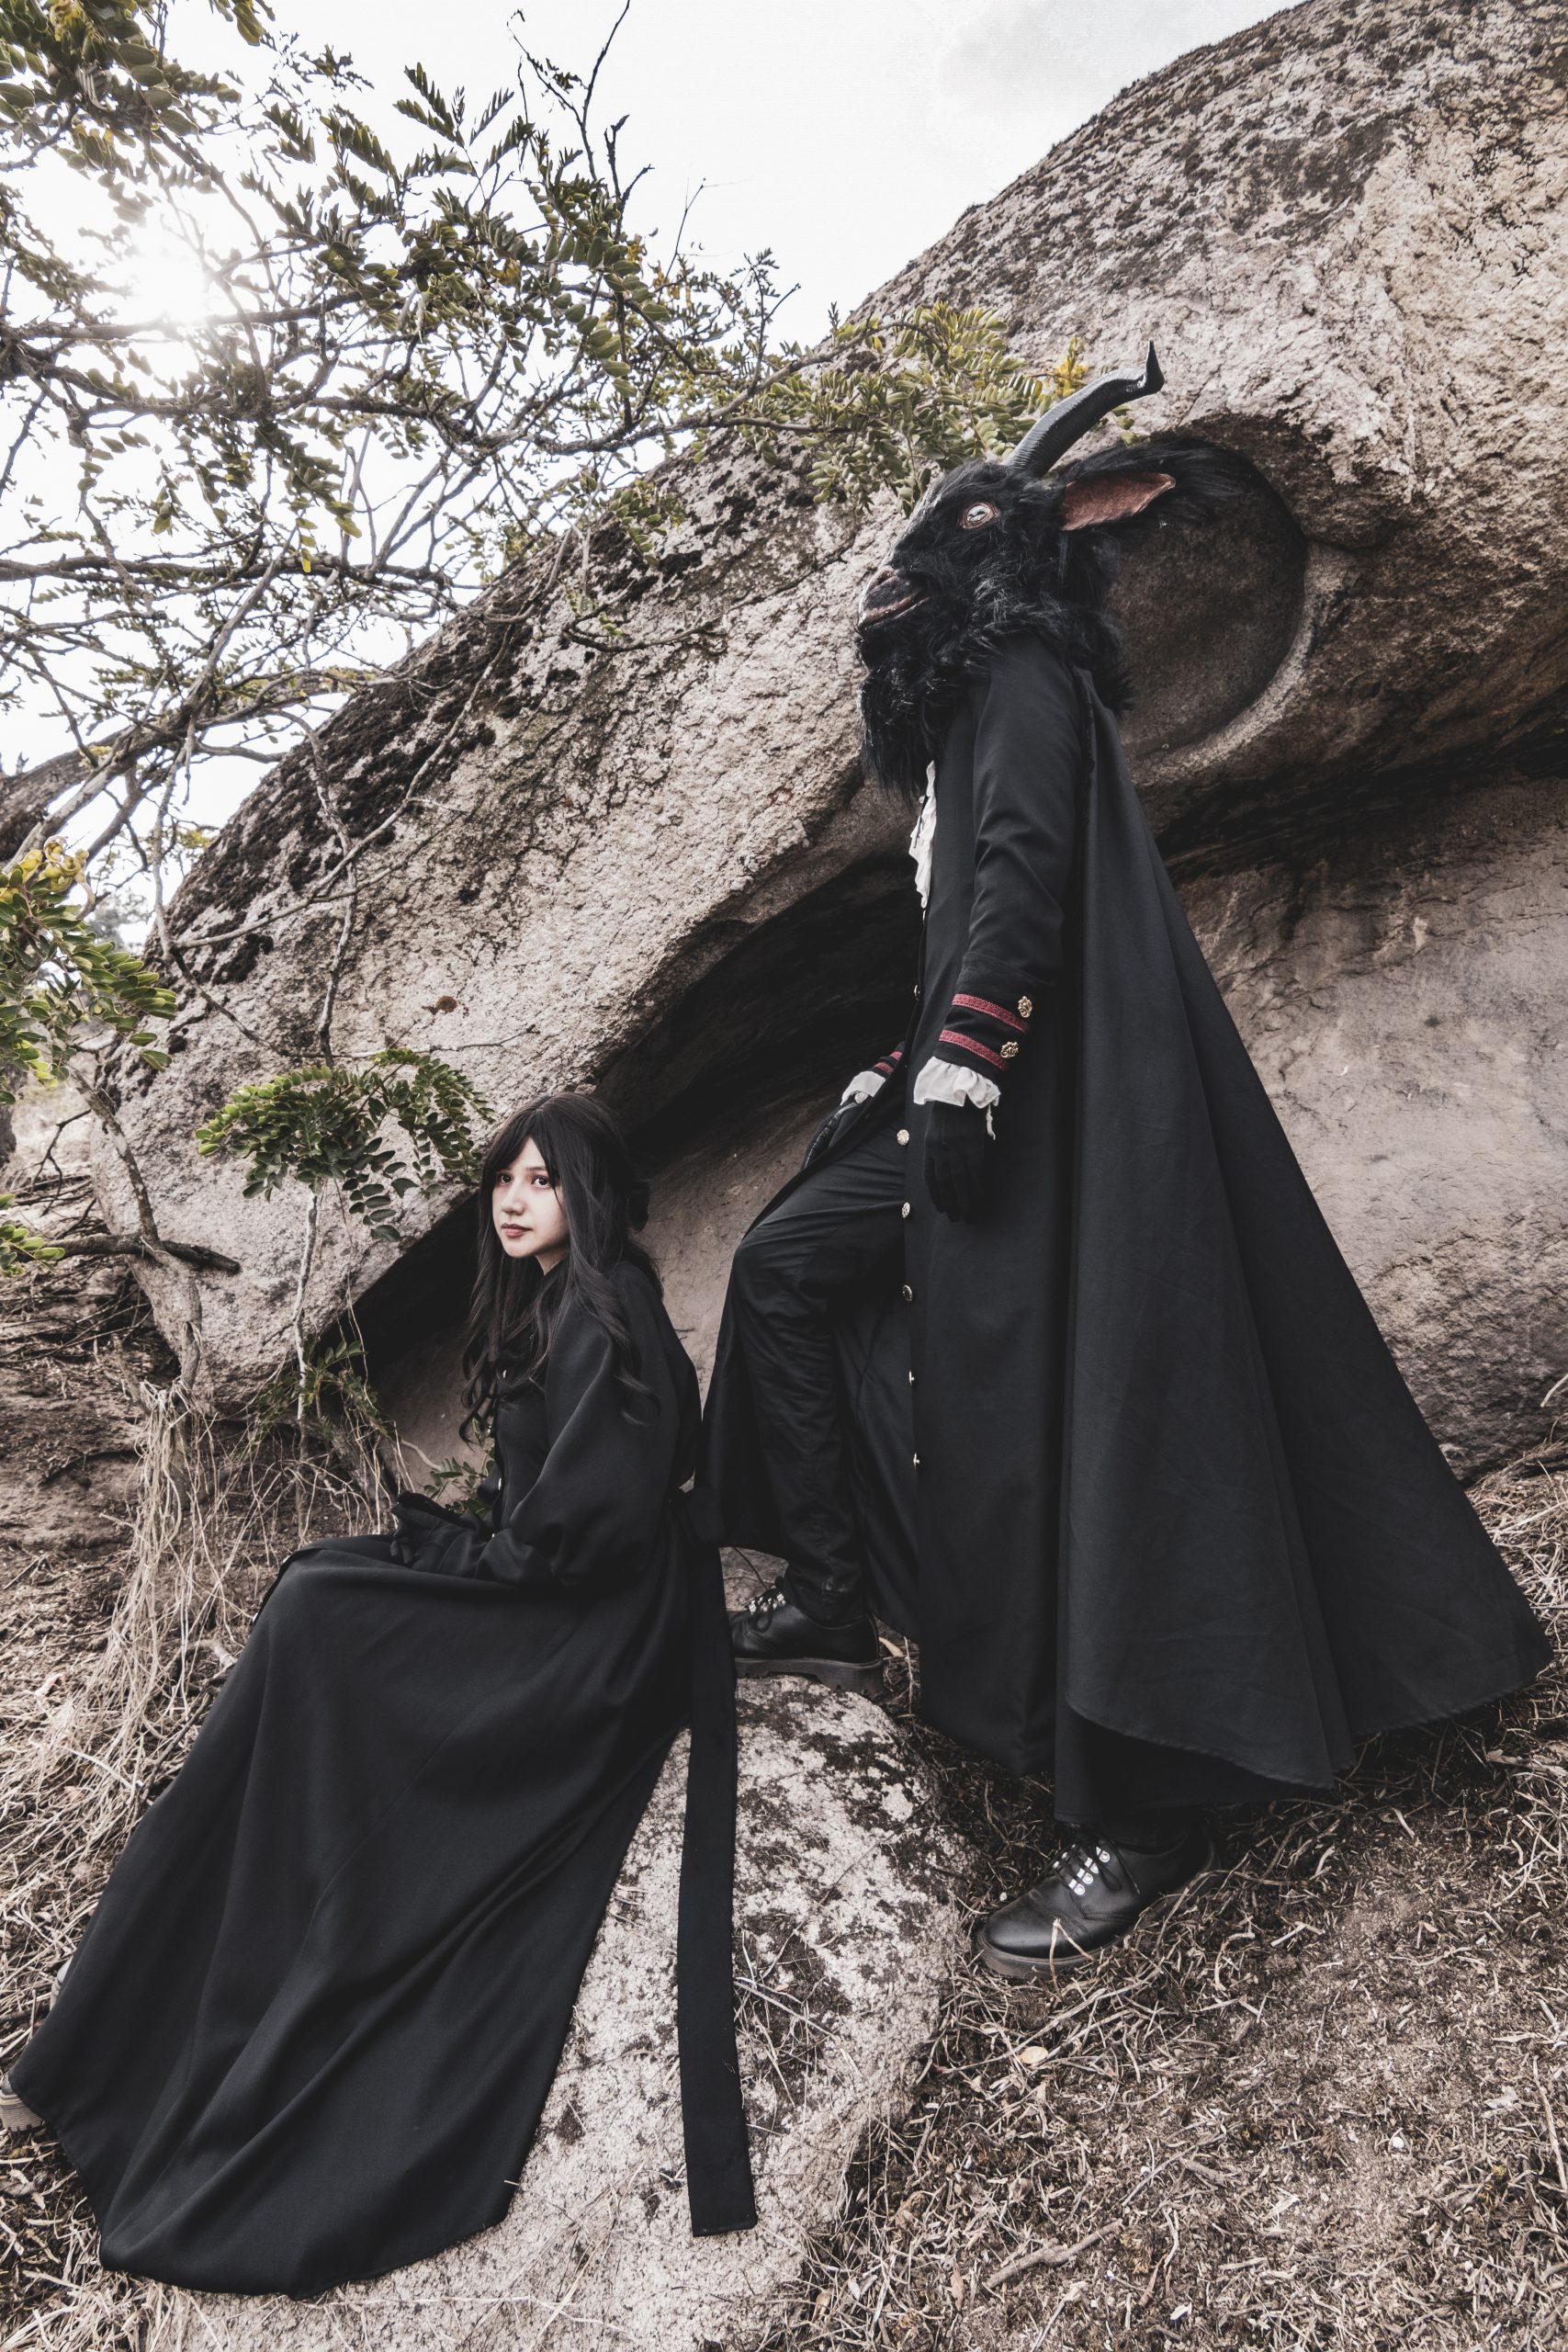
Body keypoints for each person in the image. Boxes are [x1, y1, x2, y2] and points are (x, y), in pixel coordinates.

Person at [703, 348, 1551, 1980]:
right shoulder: (965, 715)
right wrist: (905, 1056)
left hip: (1045, 1111)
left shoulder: (1022, 665)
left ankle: (1147, 1804)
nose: (902, 576)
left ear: (1024, 551)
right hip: (974, 1086)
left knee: (1096, 1415)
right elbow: (978, 906)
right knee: (789, 1265)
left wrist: (968, 1057)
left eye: (952, 539)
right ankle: (832, 1592)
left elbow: (1030, 875)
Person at [1, 1093, 754, 2293]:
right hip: (562, 1585)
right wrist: (468, 1546)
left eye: (544, 1180)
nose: (514, 1200)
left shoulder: (609, 1311)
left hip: (602, 1633)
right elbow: (544, 1511)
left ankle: (311, 1863)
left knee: (322, 1611)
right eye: (504, 1177)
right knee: (316, 1599)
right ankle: (119, 2039)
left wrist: (464, 1560)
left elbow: (591, 1534)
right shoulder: (555, 1299)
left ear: (592, 1195)